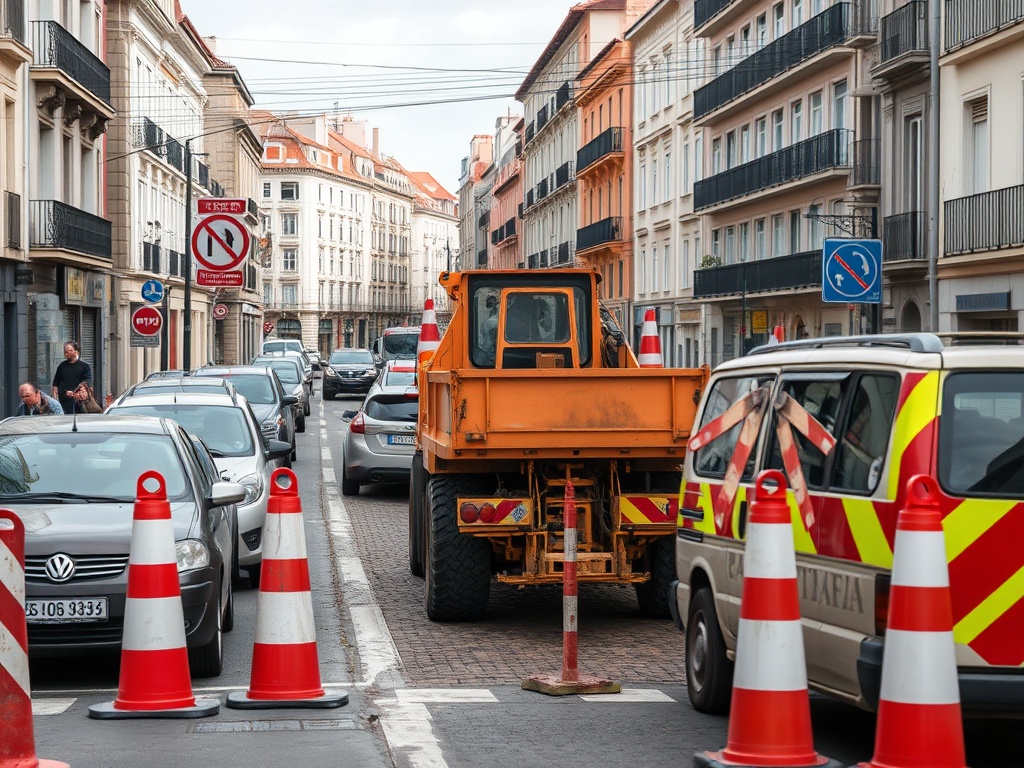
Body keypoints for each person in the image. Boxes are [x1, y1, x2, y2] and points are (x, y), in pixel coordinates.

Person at [52, 341, 92, 415]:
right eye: (66, 351)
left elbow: (88, 382)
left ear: (76, 352)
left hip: (80, 401)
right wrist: (57, 394)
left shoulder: (84, 366)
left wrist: (77, 392)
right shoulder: (62, 366)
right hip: (65, 399)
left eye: (70, 351)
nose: (67, 353)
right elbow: (56, 382)